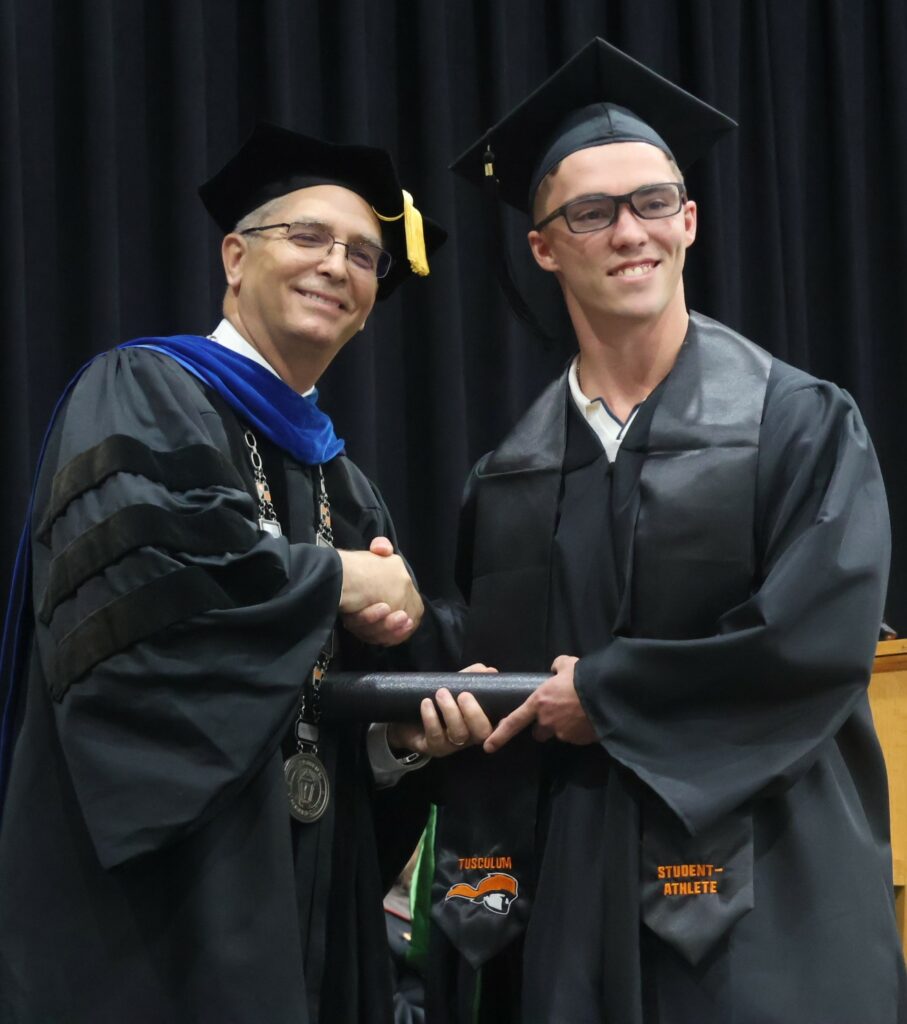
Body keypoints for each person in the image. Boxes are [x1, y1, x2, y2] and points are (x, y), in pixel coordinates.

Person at [426, 38, 907, 1024]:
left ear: (688, 221)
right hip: (566, 911)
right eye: (589, 212)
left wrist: (601, 693)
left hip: (767, 910)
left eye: (651, 202)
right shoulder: (508, 480)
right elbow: (498, 691)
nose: (628, 232)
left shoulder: (799, 423)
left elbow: (811, 642)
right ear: (543, 244)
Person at [0, 123, 490, 1024]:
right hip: (156, 909)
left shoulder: (348, 484)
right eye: (306, 236)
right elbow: (145, 610)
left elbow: (324, 710)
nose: (335, 265)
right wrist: (336, 580)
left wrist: (400, 742)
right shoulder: (141, 391)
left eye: (364, 256)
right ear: (235, 256)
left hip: (307, 901)